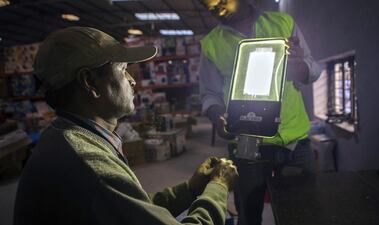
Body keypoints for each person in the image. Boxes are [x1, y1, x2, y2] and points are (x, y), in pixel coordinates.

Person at [13, 26, 239, 225]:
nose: (133, 80)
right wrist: (218, 187)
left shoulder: (68, 136)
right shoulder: (88, 162)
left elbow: (133, 210)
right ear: (89, 81)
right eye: (122, 70)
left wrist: (190, 189)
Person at [198, 1, 321, 225]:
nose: (217, 8)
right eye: (210, 4)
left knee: (304, 210)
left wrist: (299, 67)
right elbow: (209, 93)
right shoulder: (211, 44)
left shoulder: (283, 23)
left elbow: (313, 68)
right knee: (248, 213)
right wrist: (217, 115)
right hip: (247, 143)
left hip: (294, 141)